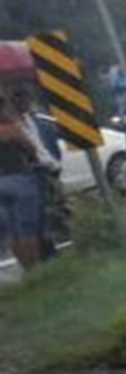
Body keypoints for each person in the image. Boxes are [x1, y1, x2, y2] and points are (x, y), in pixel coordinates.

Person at [0, 95, 45, 270]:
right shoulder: (9, 129)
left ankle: (25, 268)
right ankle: (34, 269)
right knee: (27, 227)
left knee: (12, 230)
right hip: (19, 178)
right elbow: (30, 147)